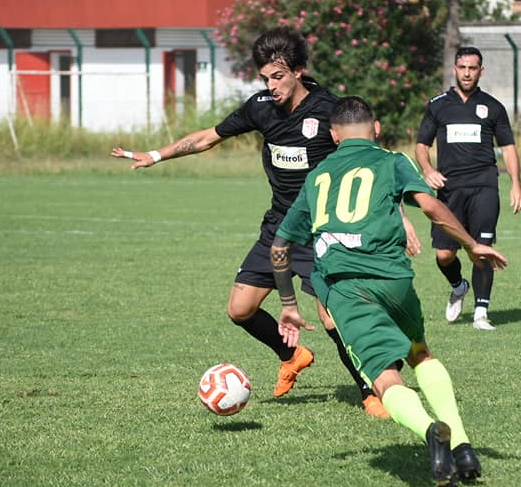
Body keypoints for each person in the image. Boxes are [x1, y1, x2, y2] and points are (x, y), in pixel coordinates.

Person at [111, 27, 410, 418]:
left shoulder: (329, 111)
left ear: (299, 71)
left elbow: (366, 159)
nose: (270, 85)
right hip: (279, 228)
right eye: (264, 77)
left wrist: (399, 215)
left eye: (278, 76)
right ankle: (292, 353)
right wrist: (156, 154)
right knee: (240, 309)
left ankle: (371, 390)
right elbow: (207, 138)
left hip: (323, 230)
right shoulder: (261, 107)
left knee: (332, 316)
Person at [272, 96, 507, 485]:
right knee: (420, 353)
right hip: (394, 279)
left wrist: (288, 304)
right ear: (376, 128)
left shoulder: (317, 176)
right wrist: (471, 244)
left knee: (384, 378)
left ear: (333, 136)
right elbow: (431, 208)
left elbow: (281, 247)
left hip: (346, 288)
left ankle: (430, 431)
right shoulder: (393, 160)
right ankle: (463, 446)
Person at [415, 46, 521, 331]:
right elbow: (421, 145)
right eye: (462, 67)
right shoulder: (438, 105)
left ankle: (480, 313)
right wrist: (428, 170)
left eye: (472, 68)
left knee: (482, 250)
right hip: (450, 191)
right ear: (454, 69)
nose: (467, 73)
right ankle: (458, 285)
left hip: (484, 187)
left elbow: (508, 148)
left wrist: (516, 184)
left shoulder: (494, 107)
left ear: (480, 71)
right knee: (444, 255)